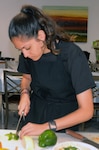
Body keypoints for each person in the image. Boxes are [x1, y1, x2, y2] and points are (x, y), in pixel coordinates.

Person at [8, 5, 95, 138]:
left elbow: (87, 111)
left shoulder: (72, 54)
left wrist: (46, 127)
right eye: (21, 50)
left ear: (41, 36)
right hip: (35, 115)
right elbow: (27, 78)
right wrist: (24, 94)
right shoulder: (28, 55)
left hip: (63, 122)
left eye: (27, 47)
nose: (24, 54)